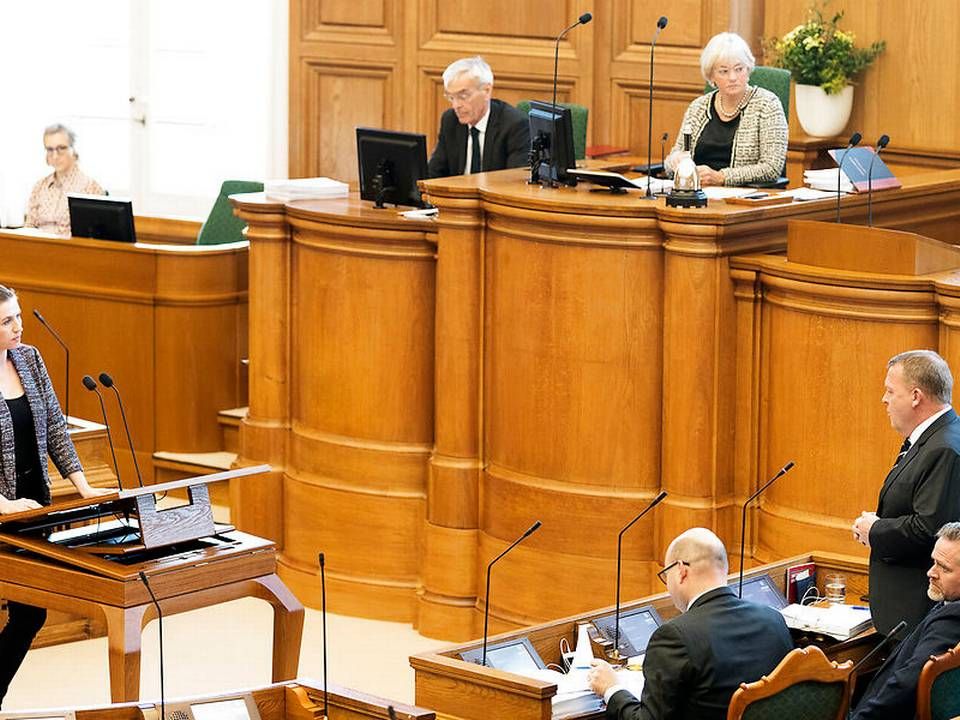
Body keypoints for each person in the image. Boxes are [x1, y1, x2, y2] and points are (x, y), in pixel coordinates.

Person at [0, 284, 111, 707]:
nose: (18, 326)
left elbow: (55, 430)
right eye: (7, 320)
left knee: (31, 611)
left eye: (19, 315)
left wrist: (82, 484)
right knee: (28, 611)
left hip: (34, 506)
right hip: (3, 511)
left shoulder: (30, 358)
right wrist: (2, 503)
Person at [587, 528, 793, 720]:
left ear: (680, 570)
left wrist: (611, 689)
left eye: (665, 576)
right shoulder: (773, 620)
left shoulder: (674, 636)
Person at [852, 350, 960, 635]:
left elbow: (930, 529)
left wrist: (874, 530)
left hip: (916, 612)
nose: (883, 400)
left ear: (915, 396)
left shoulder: (944, 448)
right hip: (903, 610)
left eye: (890, 391)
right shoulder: (933, 439)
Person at [851, 522, 960, 719]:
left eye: (944, 568)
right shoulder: (949, 604)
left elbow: (908, 682)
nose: (931, 573)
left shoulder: (953, 619)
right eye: (933, 562)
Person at [664, 32, 787, 187]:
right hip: (697, 194)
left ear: (748, 70)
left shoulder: (767, 105)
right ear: (711, 76)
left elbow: (772, 168)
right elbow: (673, 159)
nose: (733, 77)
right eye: (724, 71)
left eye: (739, 69)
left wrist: (721, 177)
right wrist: (675, 161)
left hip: (744, 200)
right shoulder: (698, 107)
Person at [427, 56, 530, 179]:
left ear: (486, 91)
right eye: (451, 97)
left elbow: (514, 182)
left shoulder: (514, 125)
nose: (456, 105)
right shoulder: (450, 120)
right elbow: (433, 174)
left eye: (463, 96)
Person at [24, 123, 105, 237]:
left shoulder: (90, 187)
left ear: (74, 149)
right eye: (50, 149)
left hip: (71, 251)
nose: (55, 156)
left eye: (61, 148)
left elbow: (92, 237)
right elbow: (29, 228)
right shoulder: (39, 186)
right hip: (39, 249)